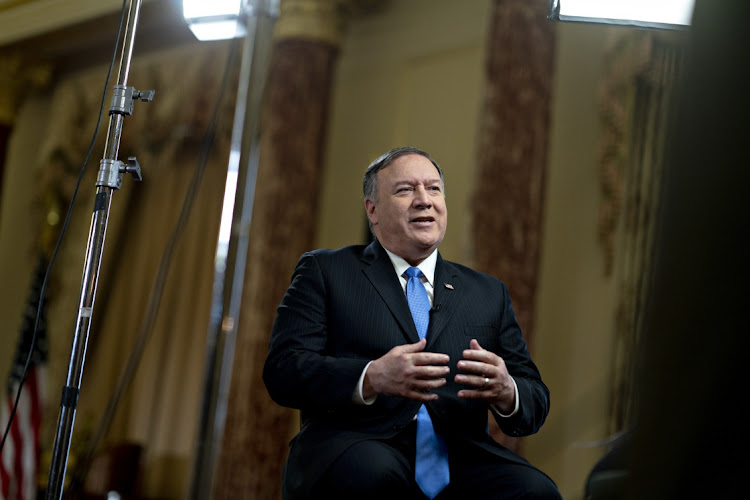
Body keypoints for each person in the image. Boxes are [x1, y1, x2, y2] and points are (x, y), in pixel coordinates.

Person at [263, 147, 560, 499]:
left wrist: (507, 389)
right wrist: (371, 376)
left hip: (460, 456)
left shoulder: (487, 293)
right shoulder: (327, 272)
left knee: (535, 491)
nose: (424, 200)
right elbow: (284, 370)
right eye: (405, 190)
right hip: (359, 445)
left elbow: (534, 397)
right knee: (376, 474)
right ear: (372, 210)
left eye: (434, 189)